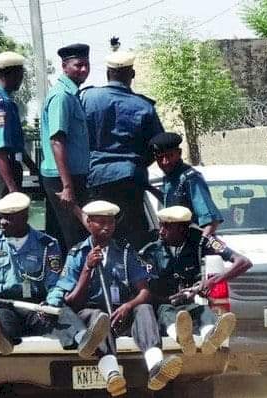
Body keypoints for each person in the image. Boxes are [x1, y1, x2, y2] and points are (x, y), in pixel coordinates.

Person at [0, 192, 110, 357]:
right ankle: (2, 339)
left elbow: (57, 282)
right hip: (3, 304)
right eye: (0, 216)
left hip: (37, 305)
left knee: (62, 315)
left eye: (8, 218)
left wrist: (51, 303)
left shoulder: (47, 244)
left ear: (24, 216)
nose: (2, 222)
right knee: (2, 320)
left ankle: (84, 342)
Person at [47, 201, 183, 396]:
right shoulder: (77, 254)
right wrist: (87, 269)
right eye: (101, 222)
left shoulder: (126, 252)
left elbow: (144, 291)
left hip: (121, 313)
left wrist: (129, 305)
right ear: (89, 223)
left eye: (111, 222)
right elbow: (72, 302)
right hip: (92, 315)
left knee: (144, 308)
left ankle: (155, 367)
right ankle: (112, 374)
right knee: (98, 316)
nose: (107, 227)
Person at [80, 48, 164, 251]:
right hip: (130, 179)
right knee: (133, 238)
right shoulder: (144, 106)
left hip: (96, 177)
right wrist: (136, 163)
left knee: (97, 235)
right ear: (132, 74)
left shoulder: (87, 98)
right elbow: (158, 145)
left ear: (108, 73)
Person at [139, 206, 252, 355]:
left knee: (204, 312)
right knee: (167, 314)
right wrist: (169, 299)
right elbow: (145, 292)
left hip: (191, 302)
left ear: (183, 229)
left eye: (167, 227)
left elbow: (243, 262)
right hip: (165, 304)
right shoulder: (151, 252)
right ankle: (183, 339)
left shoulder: (202, 240)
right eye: (161, 225)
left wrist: (211, 282)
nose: (161, 231)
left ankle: (210, 338)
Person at [40, 43, 91, 251]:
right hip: (63, 179)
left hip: (71, 177)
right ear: (64, 66)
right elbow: (56, 141)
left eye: (87, 65)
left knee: (70, 238)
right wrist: (67, 186)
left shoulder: (72, 95)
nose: (84, 70)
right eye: (78, 65)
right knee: (75, 240)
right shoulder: (61, 96)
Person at [0, 51, 38, 230]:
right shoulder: (0, 104)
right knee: (5, 228)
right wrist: (12, 188)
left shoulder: (5, 100)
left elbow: (15, 144)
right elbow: (0, 149)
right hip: (1, 173)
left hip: (7, 168)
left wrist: (32, 167)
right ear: (9, 74)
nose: (21, 79)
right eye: (19, 74)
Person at [149, 132, 223, 237]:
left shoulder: (190, 178)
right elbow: (172, 204)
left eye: (169, 156)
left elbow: (211, 222)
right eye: (160, 158)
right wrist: (149, 188)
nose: (165, 162)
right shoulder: (169, 178)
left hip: (191, 244)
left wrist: (199, 245)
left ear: (179, 153)